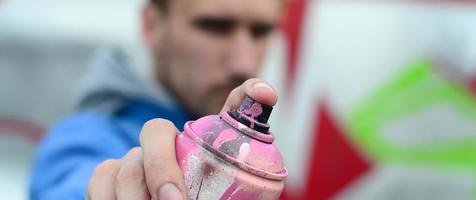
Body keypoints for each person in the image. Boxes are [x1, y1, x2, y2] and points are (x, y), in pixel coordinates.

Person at [29, 0, 284, 199]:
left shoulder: (267, 154)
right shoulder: (86, 136)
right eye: (214, 26)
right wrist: (130, 185)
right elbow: (76, 182)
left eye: (261, 31)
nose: (244, 63)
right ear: (152, 25)